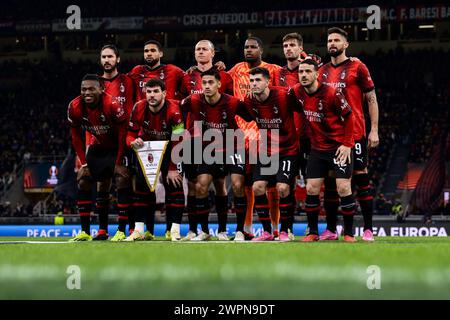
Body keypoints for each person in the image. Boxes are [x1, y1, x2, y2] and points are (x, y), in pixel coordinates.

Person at [318, 27, 379, 242]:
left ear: (346, 44)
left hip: (355, 133)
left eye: (336, 40)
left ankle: (368, 229)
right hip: (331, 136)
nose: (332, 43)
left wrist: (374, 129)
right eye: (329, 40)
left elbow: (371, 98)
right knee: (332, 181)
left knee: (361, 177)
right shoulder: (321, 70)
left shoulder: (357, 66)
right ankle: (332, 230)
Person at [291, 59, 357, 242]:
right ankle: (312, 232)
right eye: (301, 72)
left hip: (338, 147)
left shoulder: (332, 93)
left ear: (316, 74)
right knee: (311, 188)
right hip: (317, 149)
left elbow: (350, 117)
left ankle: (349, 233)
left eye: (307, 71)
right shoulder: (297, 91)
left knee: (343, 187)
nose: (303, 75)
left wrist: (347, 144)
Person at [180, 69, 247, 241]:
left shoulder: (232, 102)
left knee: (237, 184)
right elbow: (177, 109)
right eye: (204, 83)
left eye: (211, 82)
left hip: (233, 145)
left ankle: (236, 230)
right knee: (201, 186)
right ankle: (204, 232)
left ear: (219, 84)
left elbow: (252, 116)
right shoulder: (194, 100)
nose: (207, 86)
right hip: (209, 148)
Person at [128, 40, 185, 238]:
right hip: (148, 146)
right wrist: (132, 141)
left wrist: (172, 167)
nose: (152, 95)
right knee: (142, 188)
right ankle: (139, 230)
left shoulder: (175, 110)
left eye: (156, 92)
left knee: (174, 185)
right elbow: (130, 133)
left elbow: (179, 138)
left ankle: (174, 231)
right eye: (149, 91)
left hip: (172, 147)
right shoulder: (138, 106)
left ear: (165, 93)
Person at [179, 40, 234, 240]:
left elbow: (229, 104)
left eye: (204, 49)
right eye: (197, 50)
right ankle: (197, 230)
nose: (200, 52)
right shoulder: (187, 77)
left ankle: (221, 231)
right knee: (193, 186)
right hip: (192, 138)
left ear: (213, 53)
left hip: (218, 138)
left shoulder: (224, 76)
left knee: (219, 183)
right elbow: (180, 106)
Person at [237, 67, 300, 241]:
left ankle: (286, 231)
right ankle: (266, 232)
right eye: (251, 81)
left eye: (258, 80)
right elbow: (246, 116)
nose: (254, 84)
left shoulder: (283, 95)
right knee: (257, 187)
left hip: (288, 150)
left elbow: (302, 108)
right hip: (266, 150)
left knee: (282, 188)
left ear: (267, 82)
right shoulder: (249, 101)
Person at [68, 74, 129, 241]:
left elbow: (124, 133)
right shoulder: (74, 106)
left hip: (119, 146)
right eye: (83, 89)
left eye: (91, 89)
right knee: (83, 179)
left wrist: (118, 162)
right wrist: (84, 164)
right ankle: (88, 232)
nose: (86, 92)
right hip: (99, 146)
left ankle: (122, 231)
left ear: (101, 89)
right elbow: (75, 137)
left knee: (122, 179)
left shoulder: (112, 104)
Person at [98, 44, 137, 241]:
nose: (107, 60)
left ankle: (128, 228)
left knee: (125, 181)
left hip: (126, 140)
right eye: (104, 57)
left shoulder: (129, 81)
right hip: (101, 142)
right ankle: (102, 229)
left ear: (118, 59)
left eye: (110, 56)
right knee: (102, 184)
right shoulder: (93, 84)